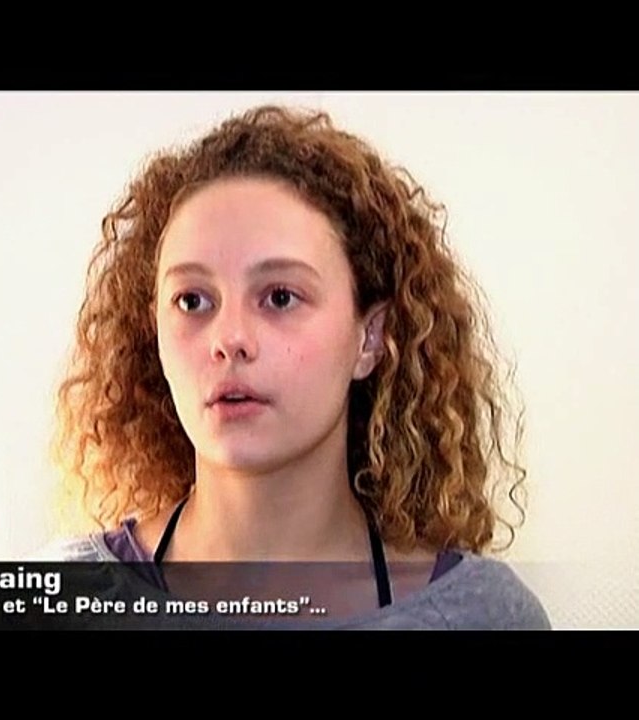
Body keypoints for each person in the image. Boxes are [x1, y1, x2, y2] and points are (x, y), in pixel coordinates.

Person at [46, 105, 550, 629]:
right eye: (193, 301)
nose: (230, 339)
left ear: (370, 339)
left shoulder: (483, 616)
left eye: (280, 297)